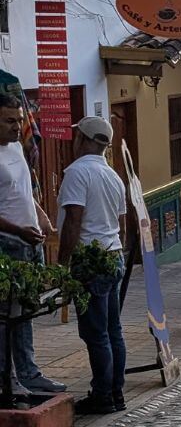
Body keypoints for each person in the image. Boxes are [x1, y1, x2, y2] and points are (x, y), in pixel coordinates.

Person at [56, 116, 128, 414]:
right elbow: (122, 225)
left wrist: (61, 264)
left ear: (82, 140)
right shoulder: (113, 176)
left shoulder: (76, 173)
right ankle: (116, 392)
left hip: (91, 260)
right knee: (113, 330)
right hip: (114, 255)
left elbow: (74, 221)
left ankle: (103, 396)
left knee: (96, 333)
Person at [0, 93, 65, 398]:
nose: (17, 127)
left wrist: (43, 219)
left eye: (19, 120)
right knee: (5, 317)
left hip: (30, 242)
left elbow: (25, 193)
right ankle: (6, 377)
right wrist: (19, 230)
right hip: (7, 245)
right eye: (9, 120)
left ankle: (29, 372)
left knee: (25, 313)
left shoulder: (15, 147)